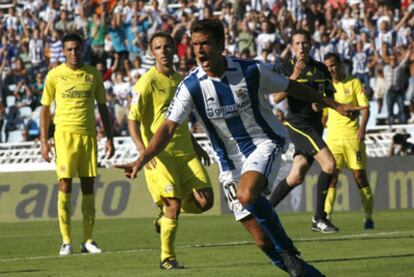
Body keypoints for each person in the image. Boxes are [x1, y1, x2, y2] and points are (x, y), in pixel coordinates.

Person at [117, 19, 365, 277]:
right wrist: (142, 158)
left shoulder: (252, 71)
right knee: (261, 241)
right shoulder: (190, 85)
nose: (200, 50)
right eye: (195, 45)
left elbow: (292, 87)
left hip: (263, 144)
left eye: (206, 44)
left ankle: (288, 248)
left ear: (221, 44)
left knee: (247, 195)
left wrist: (334, 105)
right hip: (229, 164)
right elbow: (167, 128)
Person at [127, 32, 214, 270]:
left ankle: (164, 214)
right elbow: (132, 120)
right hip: (160, 156)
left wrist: (196, 145)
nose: (163, 51)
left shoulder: (181, 81)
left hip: (185, 152)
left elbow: (182, 120)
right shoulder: (146, 82)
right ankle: (167, 258)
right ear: (151, 52)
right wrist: (143, 151)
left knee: (206, 202)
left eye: (167, 47)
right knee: (173, 205)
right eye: (158, 47)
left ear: (174, 49)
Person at [40, 33, 115, 256]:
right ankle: (66, 240)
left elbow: (103, 106)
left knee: (89, 187)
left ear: (83, 50)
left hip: (88, 136)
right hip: (64, 137)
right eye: (69, 49)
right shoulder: (54, 76)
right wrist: (44, 141)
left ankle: (88, 239)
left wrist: (109, 138)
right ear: (63, 52)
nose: (74, 53)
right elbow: (45, 109)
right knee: (65, 185)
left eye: (77, 49)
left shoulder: (93, 74)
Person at [269, 29, 339, 233]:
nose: (301, 47)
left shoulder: (321, 69)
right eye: (297, 43)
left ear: (310, 45)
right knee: (329, 164)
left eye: (304, 43)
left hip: (315, 125)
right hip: (298, 125)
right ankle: (319, 218)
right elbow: (276, 99)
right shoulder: (285, 68)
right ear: (292, 47)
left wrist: (321, 106)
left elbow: (327, 97)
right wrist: (294, 76)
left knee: (296, 176)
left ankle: (264, 211)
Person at [323, 53, 374, 230]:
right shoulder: (326, 87)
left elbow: (366, 108)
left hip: (353, 137)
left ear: (340, 65)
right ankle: (326, 217)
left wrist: (362, 129)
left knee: (359, 178)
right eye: (327, 66)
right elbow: (323, 115)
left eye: (333, 65)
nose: (330, 69)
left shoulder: (353, 83)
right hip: (333, 139)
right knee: (331, 178)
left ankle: (368, 217)